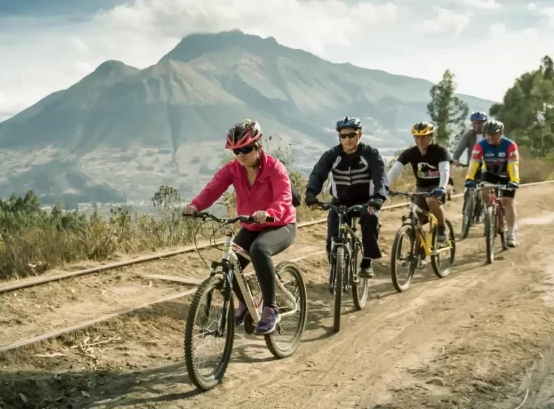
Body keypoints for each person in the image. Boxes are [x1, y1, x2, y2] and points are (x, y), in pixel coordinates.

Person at [183, 119, 297, 336]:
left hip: (280, 224)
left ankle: (270, 308)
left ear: (258, 146)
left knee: (259, 250)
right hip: (252, 225)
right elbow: (213, 189)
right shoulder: (232, 169)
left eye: (246, 149)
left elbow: (284, 197)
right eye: (236, 150)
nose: (241, 154)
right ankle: (245, 302)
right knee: (230, 260)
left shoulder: (275, 168)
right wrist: (195, 205)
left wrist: (270, 213)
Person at [305, 117, 387, 278]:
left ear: (359, 135)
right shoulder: (332, 155)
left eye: (351, 135)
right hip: (340, 202)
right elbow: (318, 174)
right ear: (339, 138)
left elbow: (381, 177)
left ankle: (366, 262)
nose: (347, 139)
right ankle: (337, 272)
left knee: (370, 220)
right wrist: (311, 194)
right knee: (332, 239)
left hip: (366, 201)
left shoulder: (370, 154)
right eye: (343, 136)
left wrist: (378, 198)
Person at [384, 122, 452, 245]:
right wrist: (384, 185)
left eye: (424, 137)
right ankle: (417, 253)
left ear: (431, 137)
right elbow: (394, 170)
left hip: (441, 184)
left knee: (431, 200)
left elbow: (444, 170)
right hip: (422, 187)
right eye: (417, 137)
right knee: (416, 219)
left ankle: (442, 227)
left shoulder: (440, 151)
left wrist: (442, 187)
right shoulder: (411, 153)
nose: (420, 140)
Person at [465, 120, 521, 247]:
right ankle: (489, 214)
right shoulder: (480, 145)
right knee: (484, 193)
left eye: (493, 134)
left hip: (507, 175)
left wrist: (514, 181)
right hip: (489, 173)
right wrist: (469, 178)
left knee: (508, 201)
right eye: (487, 134)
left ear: (501, 133)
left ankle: (511, 234)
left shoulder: (510, 145)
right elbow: (474, 163)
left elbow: (513, 165)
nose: (490, 137)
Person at [451, 111, 489, 227]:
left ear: (484, 123)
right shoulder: (469, 134)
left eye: (480, 123)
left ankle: (485, 213)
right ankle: (467, 214)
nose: (477, 125)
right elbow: (460, 147)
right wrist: (456, 158)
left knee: (485, 190)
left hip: (487, 167)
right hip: (472, 166)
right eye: (475, 123)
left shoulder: (489, 134)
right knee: (469, 189)